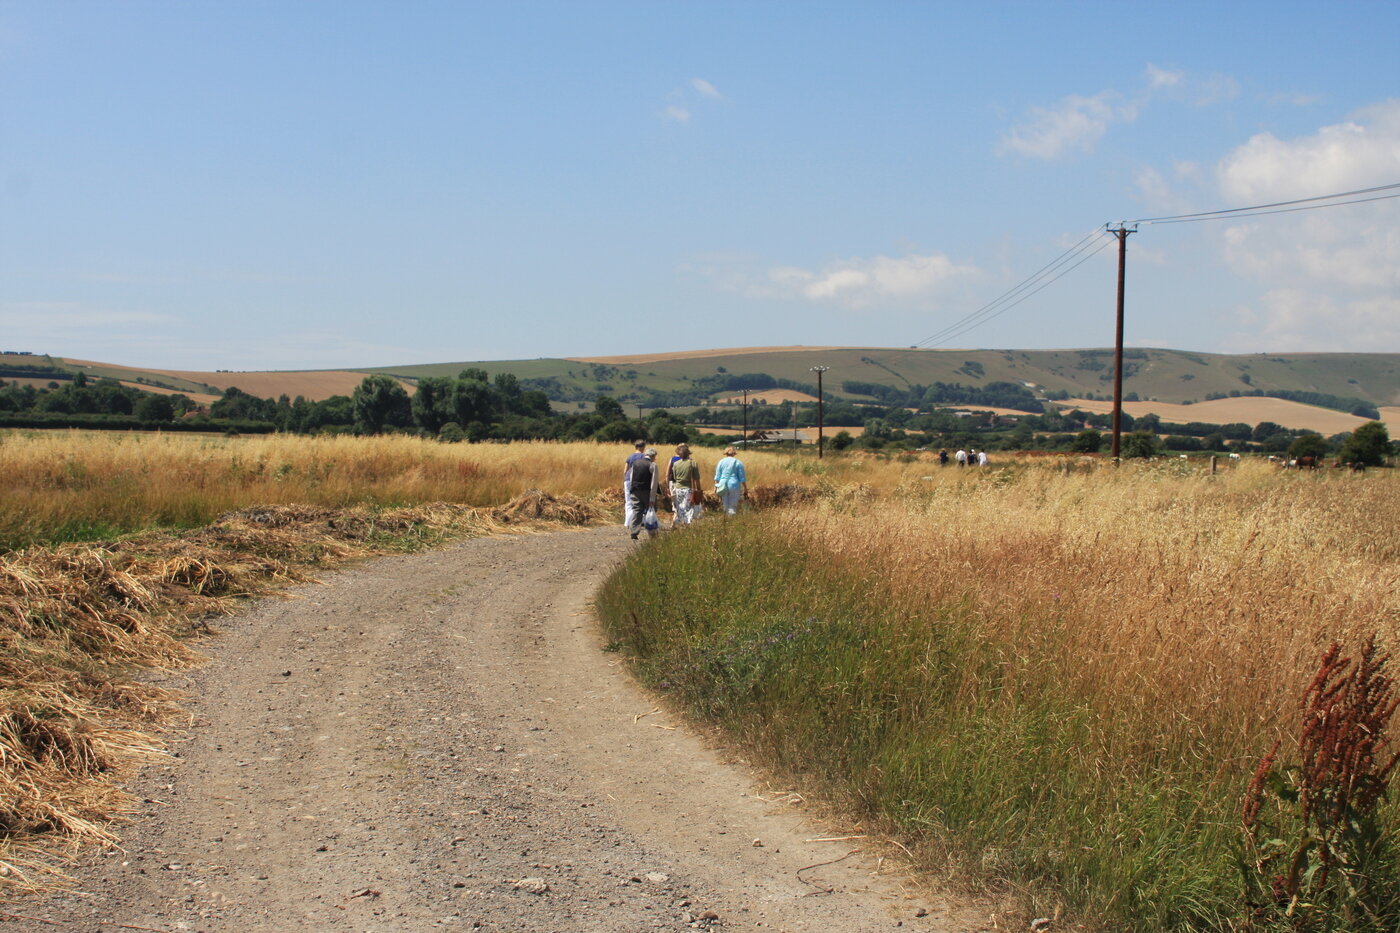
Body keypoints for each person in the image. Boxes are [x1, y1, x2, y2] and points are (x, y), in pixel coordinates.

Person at [627, 448, 660, 540]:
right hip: (647, 491)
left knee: (637, 511)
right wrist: (652, 498)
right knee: (651, 510)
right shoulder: (653, 465)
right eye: (655, 457)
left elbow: (631, 477)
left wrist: (631, 490)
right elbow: (654, 483)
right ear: (652, 456)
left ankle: (634, 531)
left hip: (635, 490)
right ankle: (652, 532)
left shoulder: (635, 463)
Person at [667, 443, 703, 527]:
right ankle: (687, 525)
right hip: (688, 489)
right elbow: (696, 479)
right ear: (688, 453)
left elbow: (674, 477)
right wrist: (699, 490)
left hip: (678, 488)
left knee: (680, 508)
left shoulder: (676, 464)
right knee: (689, 508)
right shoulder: (693, 463)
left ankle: (680, 522)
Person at [713, 445, 748, 515]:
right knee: (732, 504)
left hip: (722, 485)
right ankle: (731, 519)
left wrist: (715, 487)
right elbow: (742, 478)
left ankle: (726, 520)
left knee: (725, 504)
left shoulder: (721, 462)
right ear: (734, 453)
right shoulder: (738, 462)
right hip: (734, 485)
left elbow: (717, 476)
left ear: (725, 453)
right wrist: (745, 488)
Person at [621, 439, 647, 529]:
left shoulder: (630, 457)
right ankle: (640, 521)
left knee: (628, 501)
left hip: (628, 480)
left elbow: (625, 471)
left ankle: (627, 522)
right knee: (640, 501)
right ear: (642, 447)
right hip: (638, 480)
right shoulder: (644, 457)